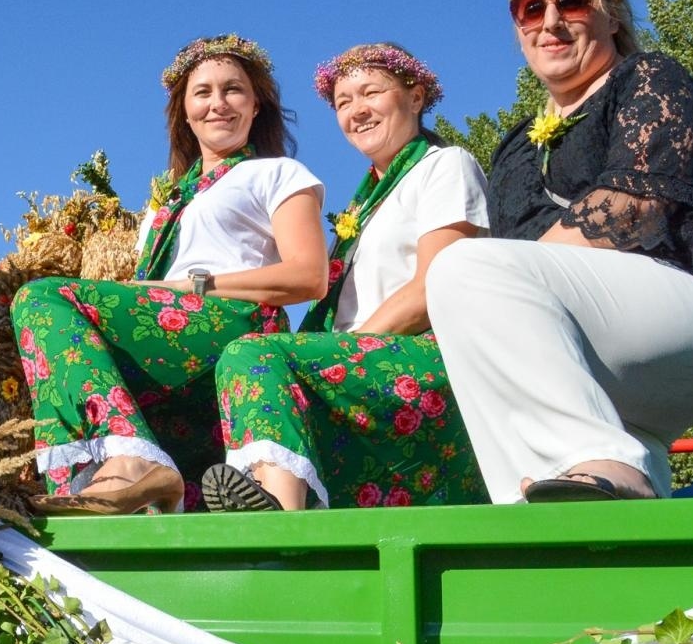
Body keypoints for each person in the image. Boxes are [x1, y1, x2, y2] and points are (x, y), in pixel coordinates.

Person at [426, 0, 693, 503]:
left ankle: (604, 460)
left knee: (462, 268)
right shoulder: (514, 147)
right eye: (530, 9)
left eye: (571, 1)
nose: (550, 21)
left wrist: (506, 278)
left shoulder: (649, 79)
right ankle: (551, 525)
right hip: (597, 356)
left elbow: (634, 209)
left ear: (611, 12)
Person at [11, 34, 327, 515]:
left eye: (233, 90)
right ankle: (115, 474)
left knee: (40, 298)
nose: (218, 104)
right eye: (202, 93)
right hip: (174, 339)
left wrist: (191, 285)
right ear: (183, 111)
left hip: (231, 321)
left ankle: (127, 459)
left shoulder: (276, 173)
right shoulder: (167, 206)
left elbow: (309, 276)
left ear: (257, 106)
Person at [202, 44, 488, 511]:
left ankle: (277, 519)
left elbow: (435, 285)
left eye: (370, 92)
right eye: (342, 102)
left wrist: (337, 357)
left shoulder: (444, 166)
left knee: (251, 353)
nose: (357, 110)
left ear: (415, 97)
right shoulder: (358, 211)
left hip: (426, 356)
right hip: (368, 364)